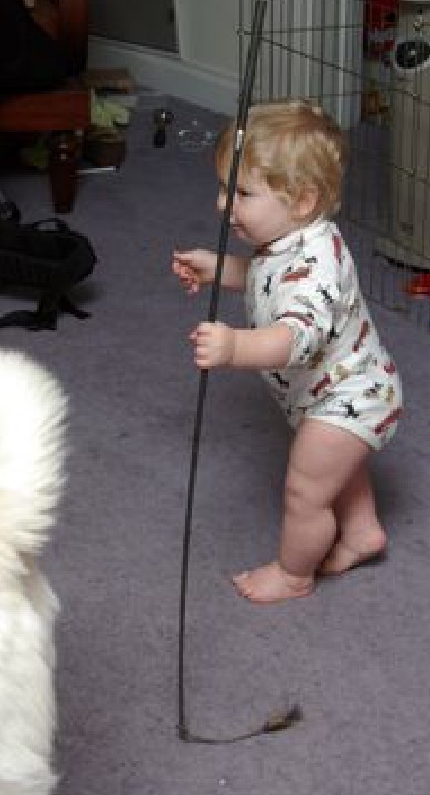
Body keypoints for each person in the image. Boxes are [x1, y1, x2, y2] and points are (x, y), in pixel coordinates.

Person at [172, 99, 403, 605]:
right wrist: (218, 268)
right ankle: (362, 532)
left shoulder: (318, 267)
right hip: (330, 391)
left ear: (302, 201)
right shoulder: (289, 240)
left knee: (305, 489)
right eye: (223, 188)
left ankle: (294, 574)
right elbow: (267, 279)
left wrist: (234, 346)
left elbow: (295, 339)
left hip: (348, 396)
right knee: (335, 468)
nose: (222, 204)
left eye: (242, 193)